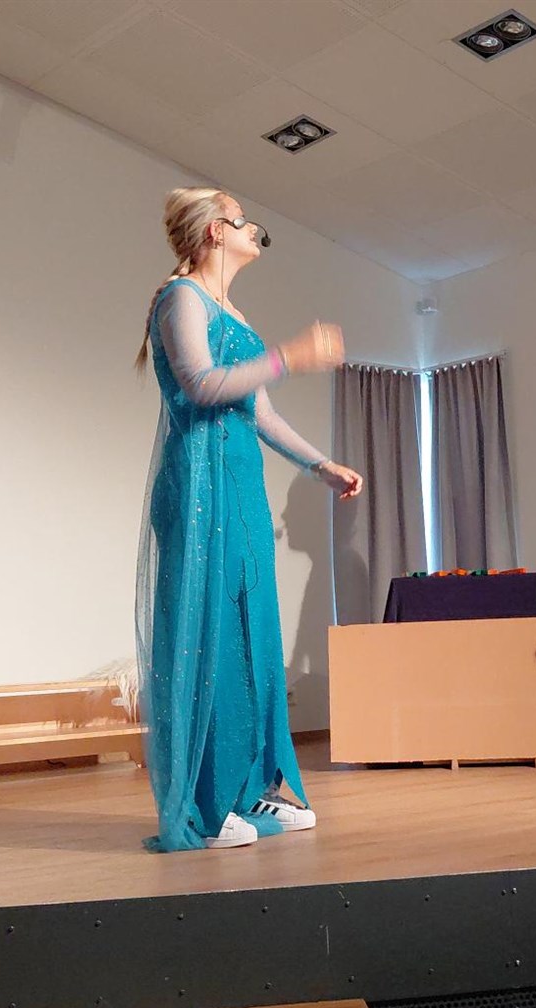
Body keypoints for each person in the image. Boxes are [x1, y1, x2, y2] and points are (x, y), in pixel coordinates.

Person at [134, 187, 364, 851]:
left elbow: (257, 411)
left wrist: (321, 465)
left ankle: (249, 787)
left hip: (239, 484)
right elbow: (202, 384)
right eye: (242, 219)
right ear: (214, 230)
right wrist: (292, 355)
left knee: (251, 631)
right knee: (210, 634)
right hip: (198, 485)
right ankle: (207, 803)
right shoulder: (181, 298)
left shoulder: (233, 311)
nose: (252, 229)